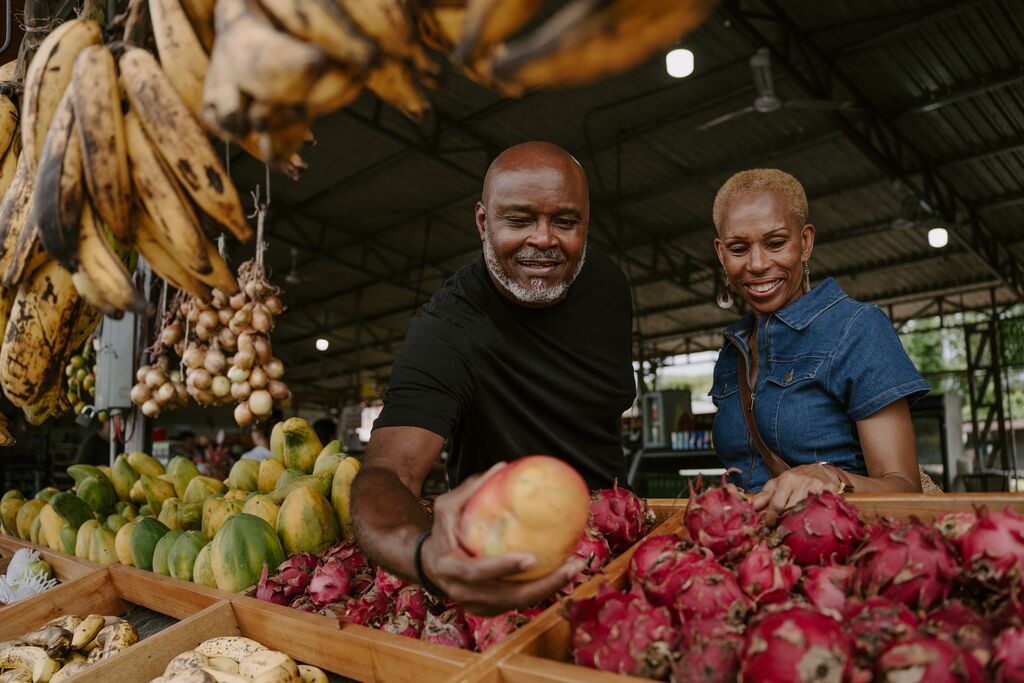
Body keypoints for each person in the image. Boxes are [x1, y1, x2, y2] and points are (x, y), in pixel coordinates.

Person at [351, 141, 636, 614]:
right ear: (484, 222)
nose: (544, 239)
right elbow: (387, 472)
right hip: (504, 566)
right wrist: (427, 555)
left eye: (565, 221)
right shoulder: (447, 329)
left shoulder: (608, 286)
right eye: (519, 220)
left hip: (614, 539)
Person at [708, 168, 929, 523]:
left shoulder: (857, 328)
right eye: (738, 248)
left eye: (776, 242)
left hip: (837, 555)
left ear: (805, 242)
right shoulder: (730, 352)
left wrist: (830, 477)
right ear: (721, 254)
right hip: (752, 562)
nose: (758, 264)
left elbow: (903, 490)